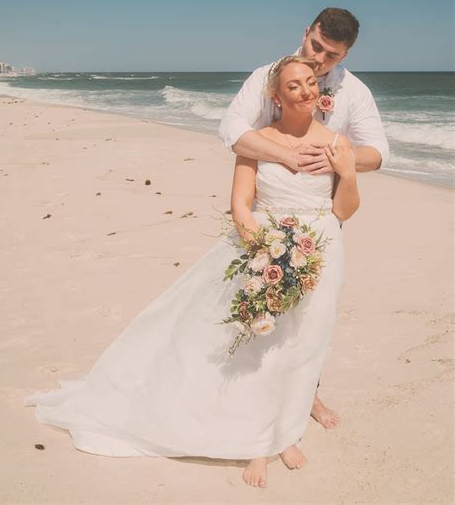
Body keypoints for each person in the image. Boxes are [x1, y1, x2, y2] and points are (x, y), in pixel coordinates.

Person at [25, 58, 359, 489]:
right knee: (262, 346)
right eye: (294, 86)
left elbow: (344, 209)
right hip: (268, 248)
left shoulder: (337, 142)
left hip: (323, 250)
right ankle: (257, 442)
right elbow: (241, 204)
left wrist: (347, 172)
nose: (306, 91)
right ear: (276, 97)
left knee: (304, 345)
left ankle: (287, 431)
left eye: (311, 82)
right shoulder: (256, 142)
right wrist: (266, 255)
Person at [219, 7, 388, 429]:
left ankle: (305, 396)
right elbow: (232, 130)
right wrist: (287, 157)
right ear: (306, 31)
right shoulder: (266, 77)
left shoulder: (355, 92)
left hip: (323, 215)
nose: (320, 59)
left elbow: (378, 153)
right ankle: (255, 398)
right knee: (266, 310)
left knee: (313, 317)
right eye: (316, 46)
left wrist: (340, 157)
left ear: (344, 55)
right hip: (269, 209)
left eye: (332, 55)